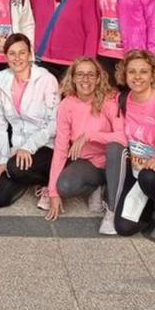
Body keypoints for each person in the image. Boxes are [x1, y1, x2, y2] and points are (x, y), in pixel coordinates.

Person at [103, 49, 155, 236]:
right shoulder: (120, 100)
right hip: (133, 167)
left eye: (144, 71)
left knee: (149, 177)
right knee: (123, 227)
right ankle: (145, 207)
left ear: (153, 74)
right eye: (132, 71)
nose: (137, 77)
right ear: (124, 74)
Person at [0, 34, 60, 209]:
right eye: (12, 53)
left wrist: (29, 147)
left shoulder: (46, 79)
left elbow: (54, 123)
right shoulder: (1, 82)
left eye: (22, 52)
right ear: (6, 57)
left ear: (30, 54)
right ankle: (24, 177)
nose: (17, 58)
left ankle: (48, 181)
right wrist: (3, 159)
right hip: (17, 150)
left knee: (16, 169)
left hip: (45, 146)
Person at [45, 57, 121, 221]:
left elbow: (123, 137)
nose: (85, 79)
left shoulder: (108, 101)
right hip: (88, 163)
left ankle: (109, 194)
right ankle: (96, 186)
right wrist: (53, 192)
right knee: (64, 186)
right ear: (72, 78)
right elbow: (60, 148)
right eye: (80, 74)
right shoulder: (67, 104)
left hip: (112, 162)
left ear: (98, 78)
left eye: (90, 75)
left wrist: (89, 136)